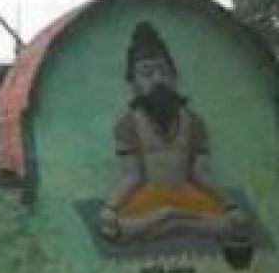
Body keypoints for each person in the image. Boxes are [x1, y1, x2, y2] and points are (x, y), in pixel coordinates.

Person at [98, 22, 252, 258]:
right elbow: (132, 176)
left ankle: (170, 218)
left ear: (174, 76)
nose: (158, 79)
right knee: (111, 226)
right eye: (147, 73)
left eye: (164, 71)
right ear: (133, 84)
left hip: (187, 195)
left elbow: (201, 175)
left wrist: (230, 206)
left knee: (238, 224)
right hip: (148, 199)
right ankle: (172, 217)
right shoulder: (128, 125)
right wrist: (111, 208)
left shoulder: (195, 123)